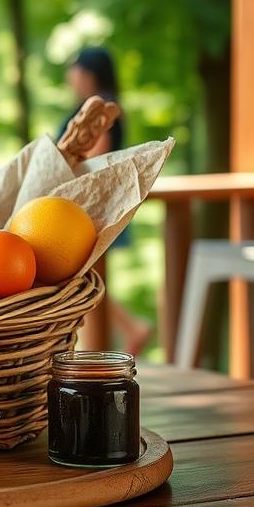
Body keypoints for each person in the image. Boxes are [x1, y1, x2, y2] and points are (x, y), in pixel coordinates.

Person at [61, 47, 151, 355]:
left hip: (90, 206)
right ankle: (130, 328)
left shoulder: (101, 110)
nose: (69, 77)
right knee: (85, 277)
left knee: (82, 277)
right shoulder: (99, 106)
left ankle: (122, 334)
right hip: (87, 205)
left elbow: (99, 153)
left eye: (73, 70)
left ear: (88, 73)